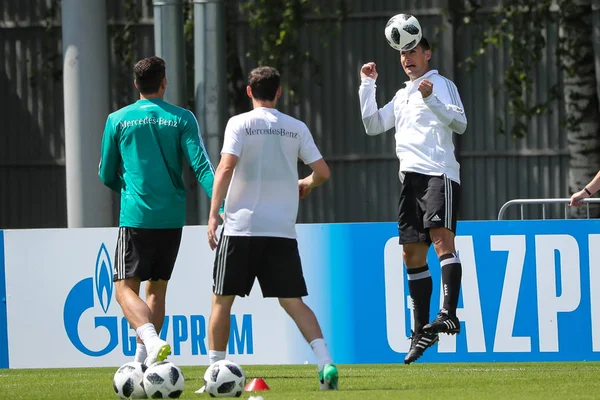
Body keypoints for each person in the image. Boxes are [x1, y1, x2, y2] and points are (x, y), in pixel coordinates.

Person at [199, 66, 338, 391]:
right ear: (278, 92)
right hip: (281, 230)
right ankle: (325, 362)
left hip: (242, 228)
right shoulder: (295, 127)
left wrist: (213, 213)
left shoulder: (239, 123)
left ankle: (215, 374)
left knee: (222, 301)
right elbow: (323, 172)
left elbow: (226, 166)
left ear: (249, 92)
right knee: (293, 302)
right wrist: (306, 182)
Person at [98, 56, 219, 366]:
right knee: (158, 289)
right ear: (164, 83)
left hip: (136, 216)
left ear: (136, 84)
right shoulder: (182, 118)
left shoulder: (117, 119)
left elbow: (106, 173)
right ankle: (145, 361)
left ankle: (151, 342)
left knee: (124, 289)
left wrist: (129, 191)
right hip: (171, 217)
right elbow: (202, 166)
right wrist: (220, 206)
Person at [358, 37, 468, 364]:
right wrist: (367, 85)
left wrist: (432, 98)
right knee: (410, 254)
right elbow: (373, 125)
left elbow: (460, 123)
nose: (407, 58)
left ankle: (448, 313)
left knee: (440, 240)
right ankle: (421, 330)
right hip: (409, 180)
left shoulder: (441, 84)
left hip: (438, 173)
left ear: (427, 54)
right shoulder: (401, 94)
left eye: (413, 51)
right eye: (403, 53)